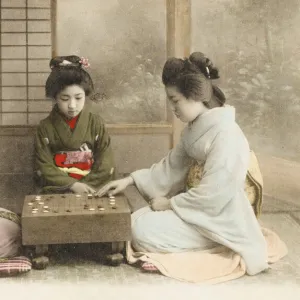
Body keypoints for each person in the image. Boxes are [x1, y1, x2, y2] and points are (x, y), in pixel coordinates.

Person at [97, 52, 269, 276]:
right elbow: (171, 166)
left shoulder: (227, 133)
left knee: (139, 230)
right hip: (197, 209)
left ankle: (221, 246)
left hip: (221, 215)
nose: (172, 108)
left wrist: (169, 204)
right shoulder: (195, 128)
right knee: (133, 220)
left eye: (175, 100)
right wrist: (129, 180)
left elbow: (215, 195)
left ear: (195, 95)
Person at [34, 55, 115, 194]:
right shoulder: (45, 127)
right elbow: (44, 166)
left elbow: (106, 163)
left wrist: (84, 186)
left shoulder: (96, 123)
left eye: (78, 98)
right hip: (59, 188)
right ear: (55, 98)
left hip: (92, 187)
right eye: (65, 98)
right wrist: (72, 185)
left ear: (85, 95)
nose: (72, 105)